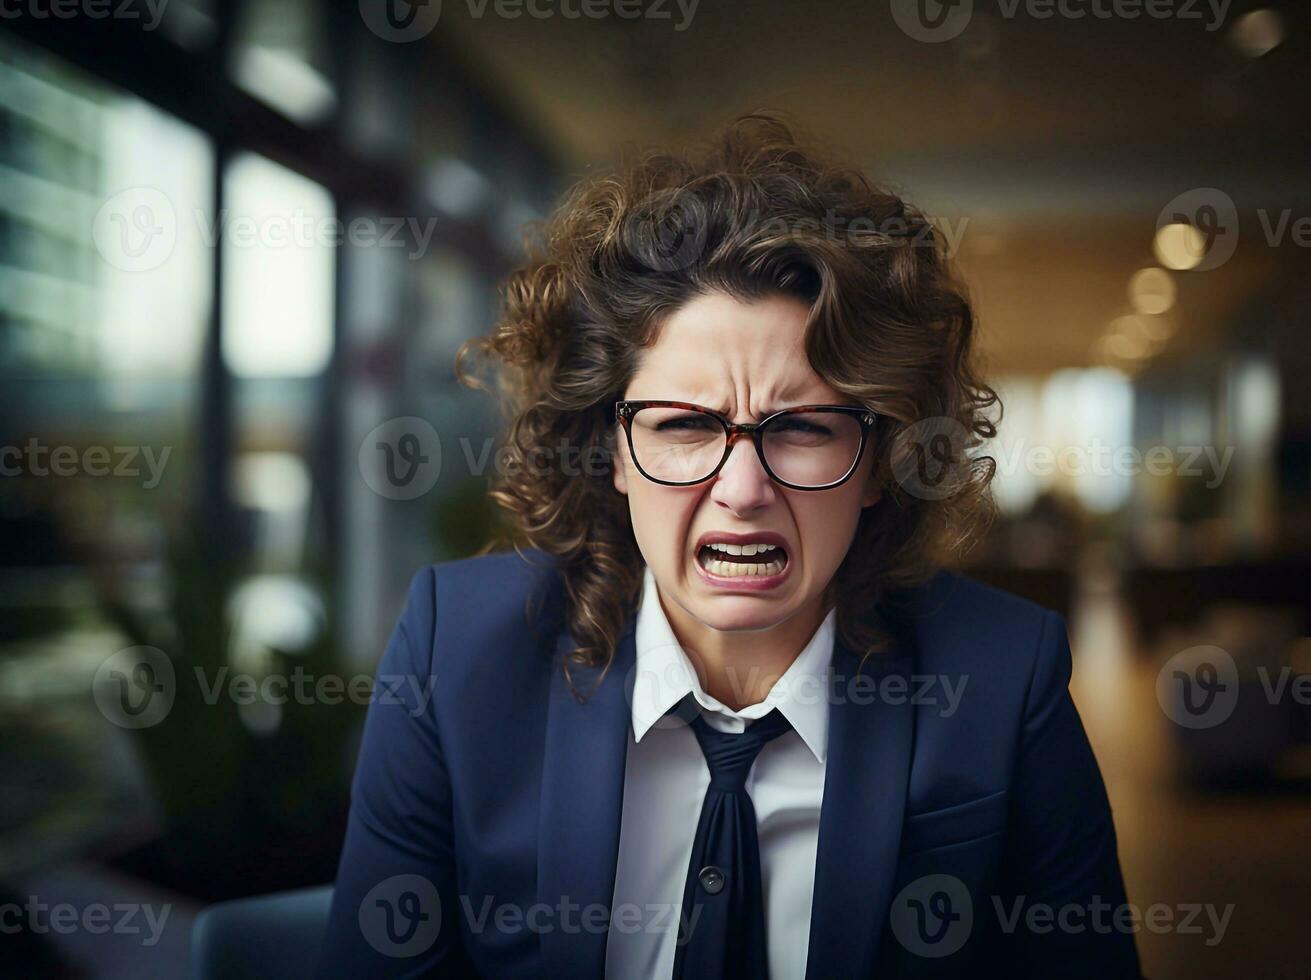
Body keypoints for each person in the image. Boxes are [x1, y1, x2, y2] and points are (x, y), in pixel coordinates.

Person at [318, 112, 1140, 979]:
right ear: (612, 454)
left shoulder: (1005, 680)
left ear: (880, 461)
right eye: (682, 425)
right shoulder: (456, 657)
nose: (743, 491)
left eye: (804, 430)